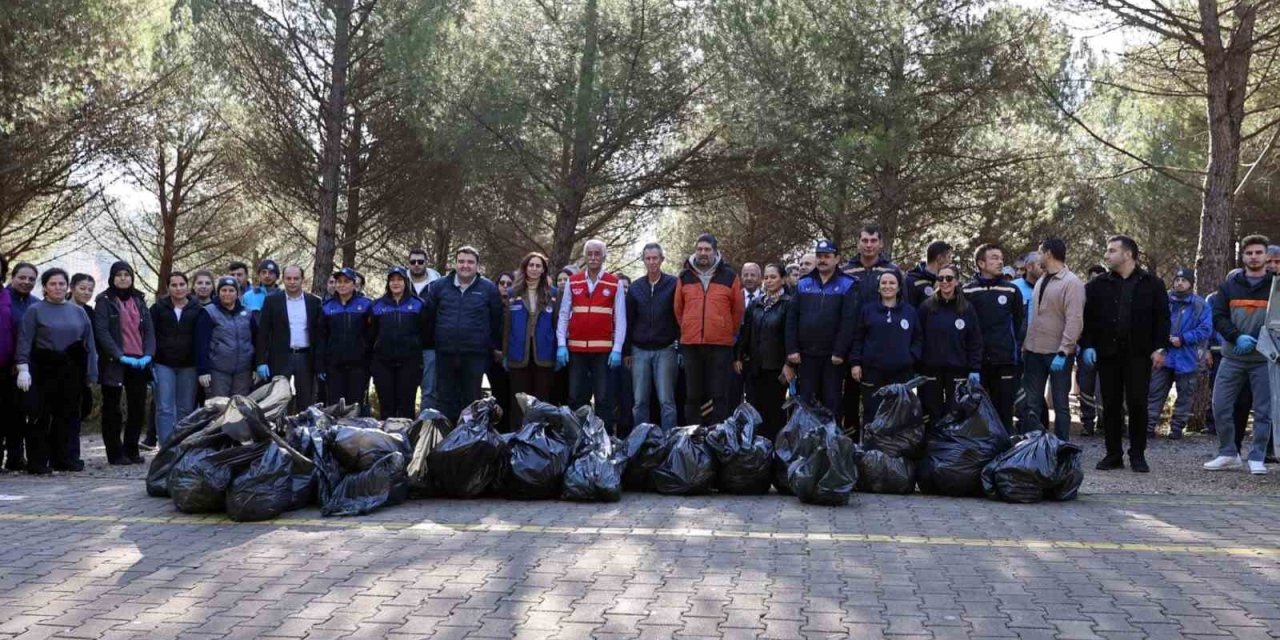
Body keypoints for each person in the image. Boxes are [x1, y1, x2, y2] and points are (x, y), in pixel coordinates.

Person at [1079, 236, 1170, 473]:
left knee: (1138, 404)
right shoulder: (1098, 285)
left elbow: (1162, 319)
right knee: (1110, 405)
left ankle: (1138, 455)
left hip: (1139, 355)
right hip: (1108, 355)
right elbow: (1087, 319)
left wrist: (1160, 348)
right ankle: (1113, 454)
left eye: (1112, 251)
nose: (1107, 255)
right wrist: (1087, 345)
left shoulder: (1153, 284)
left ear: (1128, 254)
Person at [1204, 234, 1276, 475]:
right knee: (1220, 405)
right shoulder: (1229, 286)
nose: (1254, 257)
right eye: (1249, 253)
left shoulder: (1276, 287)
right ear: (1242, 256)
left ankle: (1257, 457)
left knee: (1264, 411)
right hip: (1232, 357)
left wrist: (1263, 339)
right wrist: (1236, 336)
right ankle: (1228, 453)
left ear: (1267, 256)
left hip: (1264, 359)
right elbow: (1218, 316)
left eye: (1258, 252)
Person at [14, 269, 97, 474]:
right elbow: (25, 339)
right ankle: (38, 461)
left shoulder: (79, 312)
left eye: (61, 284)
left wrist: (91, 373)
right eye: (53, 284)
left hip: (71, 369)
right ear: (45, 287)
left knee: (67, 416)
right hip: (43, 367)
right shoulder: (35, 310)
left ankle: (64, 458)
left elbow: (89, 343)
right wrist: (22, 367)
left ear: (67, 287)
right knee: (40, 417)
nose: (58, 287)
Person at [426, 247, 502, 423]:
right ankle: (446, 440)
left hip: (476, 355)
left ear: (477, 265)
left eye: (470, 262)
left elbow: (496, 320)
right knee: (445, 400)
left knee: (472, 400)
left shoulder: (488, 288)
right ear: (455, 263)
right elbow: (428, 317)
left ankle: (468, 441)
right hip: (445, 353)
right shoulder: (439, 287)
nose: (465, 266)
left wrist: (489, 346)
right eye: (461, 261)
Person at [557, 240, 626, 431]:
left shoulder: (614, 283)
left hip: (604, 351)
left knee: (604, 398)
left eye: (597, 254)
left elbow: (620, 318)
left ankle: (604, 440)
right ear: (585, 256)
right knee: (575, 397)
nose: (593, 257)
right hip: (576, 350)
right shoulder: (573, 281)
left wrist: (617, 348)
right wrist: (562, 344)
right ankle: (576, 439)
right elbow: (564, 314)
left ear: (604, 257)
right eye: (590, 254)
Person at [675, 234, 744, 425]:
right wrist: (690, 326)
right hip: (691, 344)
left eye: (707, 249)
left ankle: (718, 436)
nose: (703, 253)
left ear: (715, 251)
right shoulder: (684, 276)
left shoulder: (730, 276)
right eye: (699, 249)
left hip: (720, 344)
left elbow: (737, 310)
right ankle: (691, 438)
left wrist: (726, 330)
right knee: (693, 394)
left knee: (719, 393)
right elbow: (678, 309)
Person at [92, 261, 156, 465]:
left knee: (137, 408)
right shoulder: (104, 300)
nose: (122, 278)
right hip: (115, 362)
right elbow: (101, 332)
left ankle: (132, 449)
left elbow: (149, 332)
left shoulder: (139, 299)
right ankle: (115, 453)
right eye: (118, 274)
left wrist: (148, 354)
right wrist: (119, 355)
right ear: (112, 277)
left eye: (126, 274)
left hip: (138, 361)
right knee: (113, 409)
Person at [1021, 238, 1085, 440]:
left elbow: (1074, 320)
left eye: (1040, 252)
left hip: (1057, 354)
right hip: (1034, 351)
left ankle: (1060, 447)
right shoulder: (1042, 279)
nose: (1038, 257)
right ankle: (1033, 446)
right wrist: (1026, 347)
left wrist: (1064, 350)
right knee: (1031, 403)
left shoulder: (1071, 282)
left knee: (1060, 404)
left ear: (1048, 253)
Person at [786, 239, 857, 420]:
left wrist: (840, 351)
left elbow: (848, 322)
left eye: (827, 256)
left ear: (837, 258)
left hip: (833, 358)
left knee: (831, 403)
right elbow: (792, 318)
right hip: (806, 356)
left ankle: (831, 445)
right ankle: (807, 444)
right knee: (806, 404)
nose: (822, 260)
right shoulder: (803, 283)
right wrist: (792, 349)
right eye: (819, 256)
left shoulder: (847, 284)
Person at [841, 225, 901, 430]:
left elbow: (903, 307)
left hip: (880, 346)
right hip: (850, 344)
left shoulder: (892, 271)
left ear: (881, 243)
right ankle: (851, 445)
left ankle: (880, 444)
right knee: (849, 396)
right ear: (858, 243)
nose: (869, 245)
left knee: (880, 401)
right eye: (865, 240)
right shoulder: (846, 271)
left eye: (873, 241)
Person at [962, 244, 1025, 430]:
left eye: (1001, 258)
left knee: (1004, 412)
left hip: (1004, 361)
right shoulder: (967, 291)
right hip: (976, 363)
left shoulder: (1011, 291)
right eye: (994, 258)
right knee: (976, 414)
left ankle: (1004, 455)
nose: (1000, 262)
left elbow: (1018, 322)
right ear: (981, 263)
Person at [849, 270, 921, 431]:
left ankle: (897, 452)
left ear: (899, 287)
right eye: (884, 283)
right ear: (878, 287)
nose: (887, 286)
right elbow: (858, 338)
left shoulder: (909, 311)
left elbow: (918, 338)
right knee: (872, 413)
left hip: (901, 372)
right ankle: (871, 451)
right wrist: (855, 363)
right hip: (872, 372)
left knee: (900, 414)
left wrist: (911, 357)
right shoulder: (868, 311)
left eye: (892, 283)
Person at [1146, 267, 1211, 441]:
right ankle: (1148, 426)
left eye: (1184, 280)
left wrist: (1183, 338)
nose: (1180, 283)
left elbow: (1205, 329)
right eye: (1177, 280)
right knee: (1155, 392)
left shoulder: (1200, 304)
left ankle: (1176, 429)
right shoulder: (1163, 300)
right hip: (1163, 355)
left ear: (1191, 283)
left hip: (1188, 357)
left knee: (1185, 395)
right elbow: (1151, 322)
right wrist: (1161, 339)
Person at [917, 264, 983, 422]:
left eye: (949, 278)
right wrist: (916, 366)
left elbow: (975, 340)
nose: (945, 282)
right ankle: (931, 445)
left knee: (955, 413)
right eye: (940, 278)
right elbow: (918, 338)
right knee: (931, 413)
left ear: (957, 281)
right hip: (930, 370)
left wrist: (975, 368)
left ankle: (952, 446)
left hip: (958, 370)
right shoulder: (926, 307)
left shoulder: (967, 308)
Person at [734, 264, 794, 439]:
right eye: (766, 277)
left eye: (773, 277)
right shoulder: (756, 303)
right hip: (755, 367)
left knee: (774, 412)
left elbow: (790, 336)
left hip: (777, 368)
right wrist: (738, 356)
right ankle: (757, 451)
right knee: (755, 410)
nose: (769, 281)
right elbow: (746, 333)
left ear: (782, 279)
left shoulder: (789, 303)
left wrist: (789, 364)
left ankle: (775, 451)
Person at [625, 243, 680, 430]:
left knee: (667, 400)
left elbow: (680, 315)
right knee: (639, 401)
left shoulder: (673, 284)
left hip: (665, 349)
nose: (651, 262)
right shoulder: (635, 287)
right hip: (639, 350)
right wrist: (626, 351)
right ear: (643, 260)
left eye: (655, 258)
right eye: (648, 258)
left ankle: (669, 443)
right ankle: (642, 443)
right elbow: (628, 320)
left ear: (661, 259)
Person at [503, 252, 559, 424]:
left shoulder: (554, 293)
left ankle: (541, 441)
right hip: (518, 354)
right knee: (518, 402)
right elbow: (507, 327)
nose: (534, 269)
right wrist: (505, 354)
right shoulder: (512, 293)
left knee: (541, 401)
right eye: (531, 265)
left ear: (543, 270)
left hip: (544, 354)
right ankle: (517, 440)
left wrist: (558, 352)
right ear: (525, 268)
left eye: (538, 266)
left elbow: (557, 325)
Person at [256, 265, 322, 411]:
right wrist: (261, 361)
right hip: (280, 357)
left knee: (305, 399)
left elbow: (318, 335)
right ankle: (278, 431)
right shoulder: (272, 301)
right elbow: (263, 333)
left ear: (302, 280)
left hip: (305, 357)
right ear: (283, 279)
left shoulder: (314, 302)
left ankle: (304, 430)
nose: (292, 282)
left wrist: (319, 363)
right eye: (288, 278)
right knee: (277, 399)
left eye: (296, 278)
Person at [150, 272, 201, 447]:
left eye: (181, 284)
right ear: (168, 287)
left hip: (189, 365)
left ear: (188, 286)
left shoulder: (197, 309)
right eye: (174, 285)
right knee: (164, 408)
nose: (178, 288)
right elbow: (150, 335)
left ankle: (182, 446)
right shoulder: (158, 309)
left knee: (186, 408)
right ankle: (166, 448)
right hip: (163, 363)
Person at [370, 267, 427, 420]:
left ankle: (405, 440)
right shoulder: (376, 305)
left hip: (410, 362)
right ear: (388, 283)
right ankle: (386, 441)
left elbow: (425, 332)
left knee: (406, 405)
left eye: (399, 279)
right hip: (383, 362)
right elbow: (371, 334)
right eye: (392, 280)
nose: (396, 283)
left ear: (406, 282)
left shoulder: (418, 304)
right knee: (387, 405)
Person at [317, 267, 373, 410]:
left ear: (354, 284)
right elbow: (322, 337)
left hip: (358, 366)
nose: (342, 285)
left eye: (346, 282)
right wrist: (320, 365)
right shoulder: (327, 307)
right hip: (334, 366)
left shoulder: (366, 305)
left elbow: (371, 336)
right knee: (336, 406)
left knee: (355, 406)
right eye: (338, 282)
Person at [196, 276, 258, 398]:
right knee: (219, 410)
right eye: (223, 290)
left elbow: (256, 340)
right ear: (218, 292)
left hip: (243, 372)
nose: (227, 294)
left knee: (238, 410)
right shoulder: (209, 312)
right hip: (218, 372)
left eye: (231, 290)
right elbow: (201, 343)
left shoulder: (247, 313)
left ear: (237, 293)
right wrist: (203, 370)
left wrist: (256, 366)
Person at [4, 262, 38, 471]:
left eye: (31, 279)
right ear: (12, 276)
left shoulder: (35, 304)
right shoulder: (3, 299)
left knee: (19, 413)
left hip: (26, 368)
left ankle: (16, 457)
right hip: (5, 364)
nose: (26, 282)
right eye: (22, 277)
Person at [408, 247, 442, 412]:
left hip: (430, 345)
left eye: (420, 261)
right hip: (406, 347)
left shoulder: (438, 285)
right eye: (413, 261)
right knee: (406, 392)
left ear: (426, 263)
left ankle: (426, 429)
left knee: (429, 391)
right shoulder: (400, 282)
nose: (416, 265)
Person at [1075, 264, 1109, 436]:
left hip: (1107, 350)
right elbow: (1077, 321)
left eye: (1100, 277)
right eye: (1093, 277)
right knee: (1086, 388)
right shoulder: (1082, 295)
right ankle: (1087, 422)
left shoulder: (1112, 296)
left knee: (1105, 388)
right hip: (1086, 349)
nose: (1096, 281)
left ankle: (1105, 421)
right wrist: (1084, 345)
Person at [69, 273, 96, 454]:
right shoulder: (61, 308)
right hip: (61, 365)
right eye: (82, 288)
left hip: (82, 367)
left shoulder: (90, 312)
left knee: (81, 409)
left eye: (90, 290)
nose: (86, 293)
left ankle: (72, 452)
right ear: (71, 287)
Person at [490, 271, 515, 430]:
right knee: (497, 394)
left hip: (512, 357)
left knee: (510, 395)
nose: (505, 287)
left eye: (508, 284)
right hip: (493, 355)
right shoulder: (491, 305)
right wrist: (493, 350)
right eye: (502, 283)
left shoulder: (516, 306)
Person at [905, 240, 952, 308]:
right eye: (949, 257)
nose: (950, 262)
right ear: (939, 259)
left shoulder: (945, 281)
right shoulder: (911, 280)